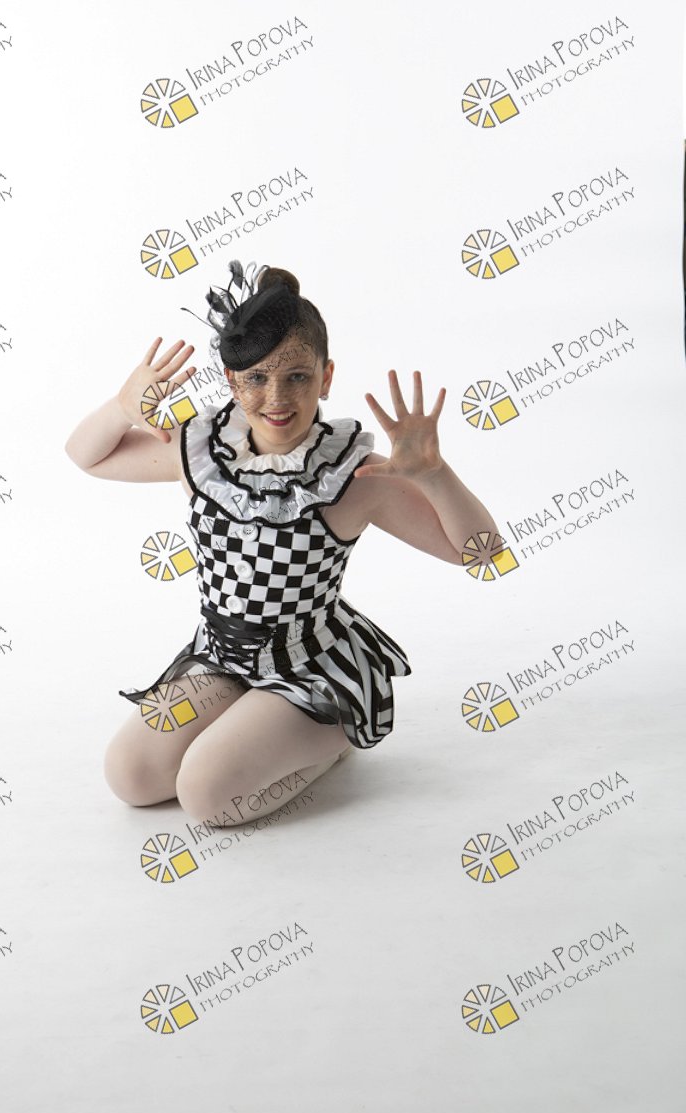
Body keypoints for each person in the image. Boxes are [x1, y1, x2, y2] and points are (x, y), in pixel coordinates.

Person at [64, 260, 500, 828]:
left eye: (296, 376)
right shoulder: (202, 454)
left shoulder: (353, 476)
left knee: (207, 796)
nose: (276, 397)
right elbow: (87, 456)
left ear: (326, 377)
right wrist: (122, 407)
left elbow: (482, 552)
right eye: (256, 379)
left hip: (308, 669)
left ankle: (333, 734)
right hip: (221, 658)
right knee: (132, 776)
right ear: (231, 380)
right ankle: (251, 720)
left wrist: (435, 476)